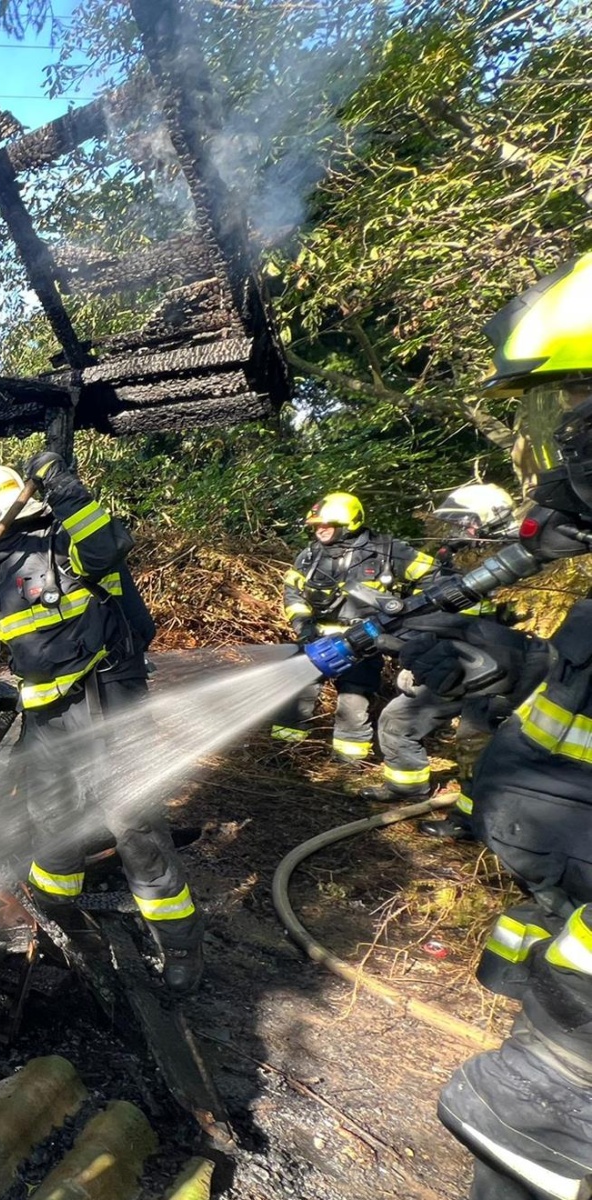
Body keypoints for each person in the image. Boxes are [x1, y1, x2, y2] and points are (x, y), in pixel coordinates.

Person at [395, 249, 592, 1200]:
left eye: (587, 408)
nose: (574, 441)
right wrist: (440, 604)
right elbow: (538, 542)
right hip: (557, 886)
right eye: (568, 411)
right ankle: (512, 987)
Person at [0, 455, 202, 994]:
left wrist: (66, 489)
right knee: (52, 819)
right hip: (47, 716)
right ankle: (60, 920)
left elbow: (106, 549)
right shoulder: (2, 572)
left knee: (133, 824)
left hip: (107, 700)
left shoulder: (64, 539)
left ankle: (180, 947)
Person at [361, 484, 519, 808]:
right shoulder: (458, 559)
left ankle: (475, 817)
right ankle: (406, 786)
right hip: (453, 662)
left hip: (498, 673)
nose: (454, 531)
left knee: (476, 741)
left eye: (463, 523)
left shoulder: (518, 562)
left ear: (490, 521)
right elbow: (441, 614)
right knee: (398, 719)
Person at [273, 492, 438, 762]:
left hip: (364, 640)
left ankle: (348, 763)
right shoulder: (310, 556)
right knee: (295, 692)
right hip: (316, 639)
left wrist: (407, 614)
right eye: (316, 525)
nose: (320, 529)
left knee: (353, 700)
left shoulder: (387, 550)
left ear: (349, 522)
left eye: (327, 524)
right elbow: (293, 592)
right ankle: (285, 755)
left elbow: (433, 576)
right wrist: (303, 625)